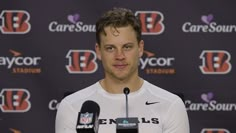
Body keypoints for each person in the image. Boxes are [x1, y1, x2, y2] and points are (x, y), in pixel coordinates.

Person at [55, 7, 190, 133]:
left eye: (127, 47)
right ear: (98, 51)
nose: (119, 56)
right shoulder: (72, 106)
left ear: (140, 48)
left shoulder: (170, 104)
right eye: (110, 48)